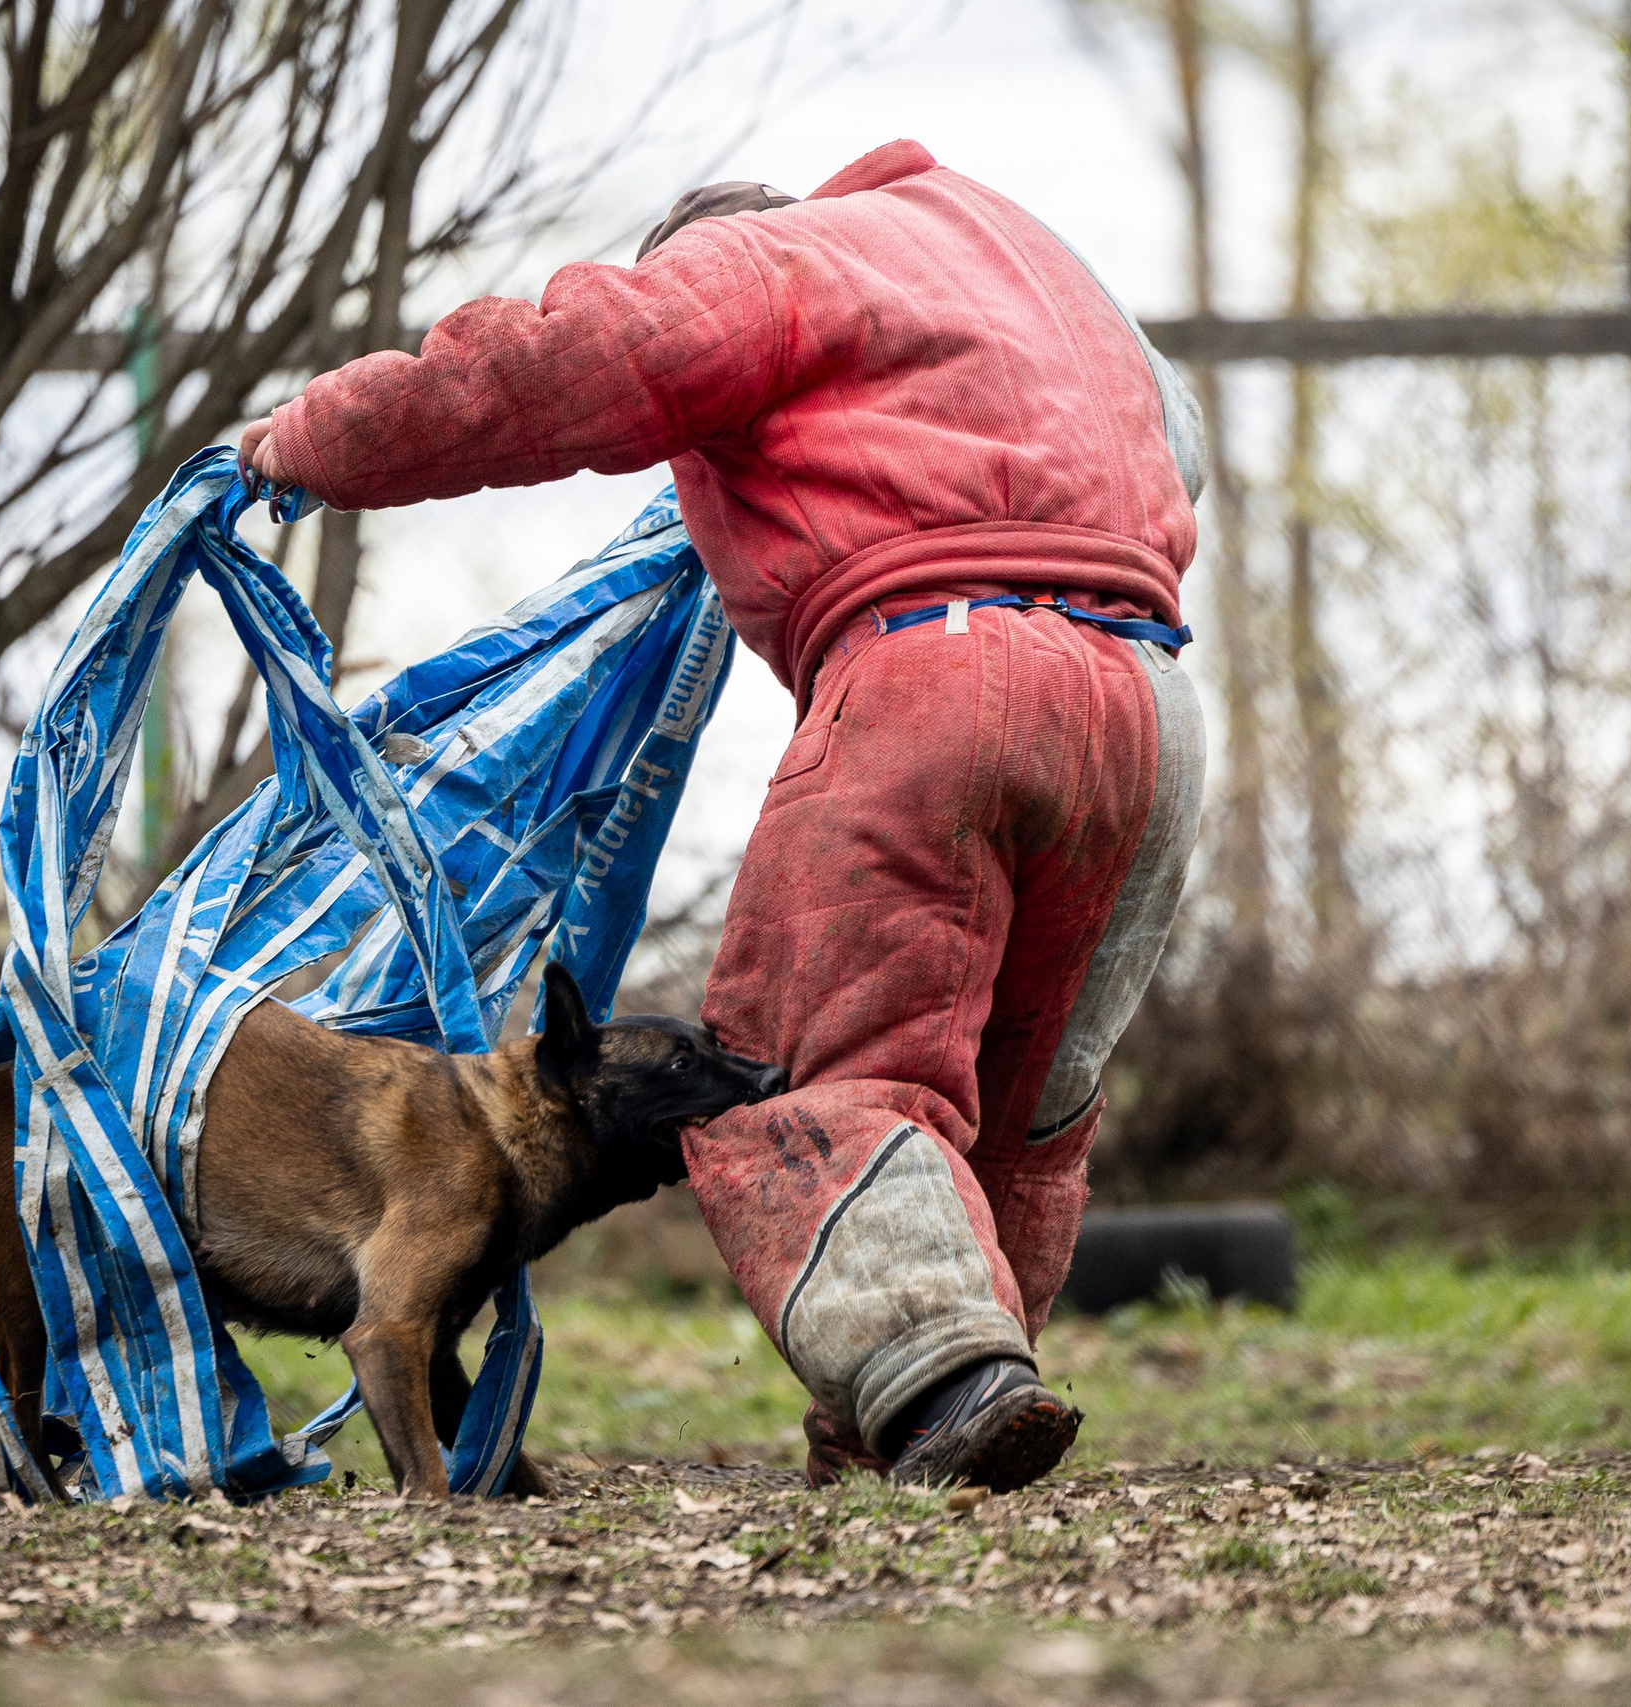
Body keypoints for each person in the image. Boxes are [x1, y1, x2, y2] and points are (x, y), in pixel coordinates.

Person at [240, 139, 1206, 1492]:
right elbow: (1179, 431)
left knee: (795, 1069)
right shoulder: (1010, 253)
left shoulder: (769, 260)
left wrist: (308, 442)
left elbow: (559, 367)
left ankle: (942, 1384)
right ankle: (905, 1430)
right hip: (1152, 704)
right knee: (1018, 1116)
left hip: (939, 670)